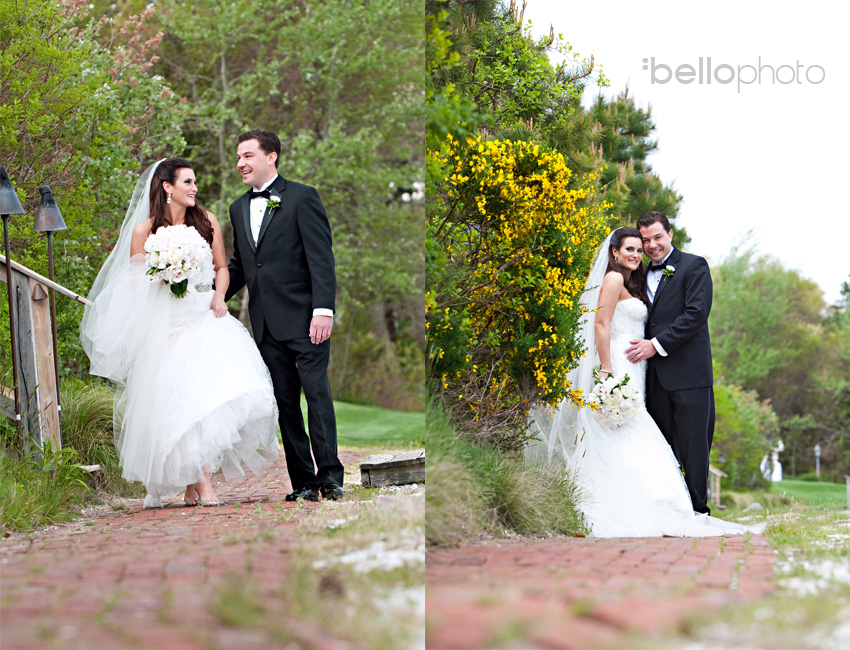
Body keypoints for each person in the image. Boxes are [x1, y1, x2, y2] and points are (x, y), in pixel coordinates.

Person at [526, 227, 762, 537]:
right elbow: (600, 324)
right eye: (632, 248)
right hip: (620, 362)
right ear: (614, 251)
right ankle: (627, 505)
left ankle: (648, 504)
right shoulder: (614, 278)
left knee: (632, 430)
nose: (640, 252)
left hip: (641, 367)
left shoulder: (648, 275)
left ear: (669, 235)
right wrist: (607, 368)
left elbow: (691, 314)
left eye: (643, 247)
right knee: (626, 430)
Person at [80, 158, 280, 508]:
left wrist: (219, 296)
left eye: (195, 181)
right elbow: (134, 285)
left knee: (206, 400)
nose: (194, 188)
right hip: (167, 325)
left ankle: (195, 483)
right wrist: (162, 275)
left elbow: (221, 267)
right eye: (187, 182)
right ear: (167, 187)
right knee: (181, 403)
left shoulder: (207, 221)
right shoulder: (143, 232)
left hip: (204, 316)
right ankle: (201, 484)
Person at [224, 129, 345, 502]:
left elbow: (321, 258)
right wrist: (210, 298)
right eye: (238, 157)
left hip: (307, 320)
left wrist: (323, 310)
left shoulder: (303, 197)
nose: (241, 163)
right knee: (286, 404)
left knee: (317, 396)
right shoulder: (237, 208)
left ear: (271, 156)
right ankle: (303, 482)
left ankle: (330, 478)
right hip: (265, 324)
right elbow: (241, 266)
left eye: (248, 156)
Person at [625, 211, 715, 515]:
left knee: (694, 446)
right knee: (661, 447)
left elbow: (695, 315)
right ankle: (669, 509)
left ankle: (698, 512)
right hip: (653, 377)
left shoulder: (694, 266)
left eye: (657, 237)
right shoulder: (637, 274)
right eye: (645, 240)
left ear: (670, 234)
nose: (651, 245)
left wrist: (655, 345)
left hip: (690, 373)